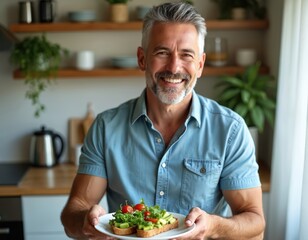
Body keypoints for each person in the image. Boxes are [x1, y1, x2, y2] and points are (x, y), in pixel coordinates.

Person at [61, 2, 265, 239]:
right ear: (142, 59)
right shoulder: (106, 128)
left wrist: (213, 227)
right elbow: (73, 211)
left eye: (187, 55)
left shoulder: (230, 130)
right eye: (162, 53)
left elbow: (254, 221)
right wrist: (85, 220)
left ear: (200, 65)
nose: (174, 67)